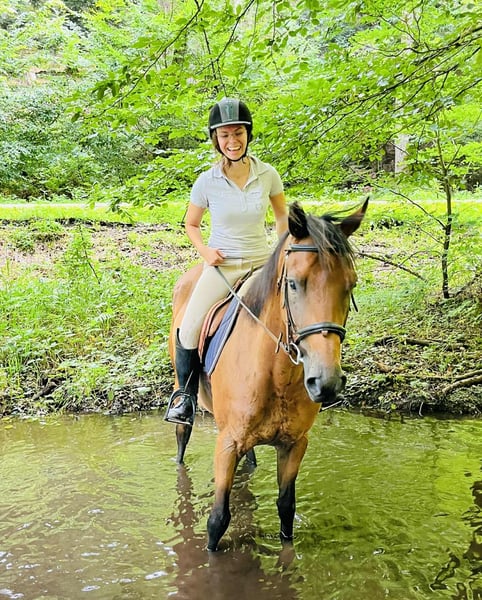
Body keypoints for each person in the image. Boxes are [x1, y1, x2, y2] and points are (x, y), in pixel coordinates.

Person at [165, 97, 288, 427]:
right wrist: (205, 252)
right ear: (216, 140)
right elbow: (191, 224)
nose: (232, 141)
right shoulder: (206, 181)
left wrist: (280, 250)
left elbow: (282, 216)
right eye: (225, 135)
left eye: (238, 133)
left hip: (262, 265)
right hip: (223, 267)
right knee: (189, 327)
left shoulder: (268, 175)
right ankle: (186, 397)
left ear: (248, 134)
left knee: (300, 311)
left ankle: (313, 383)